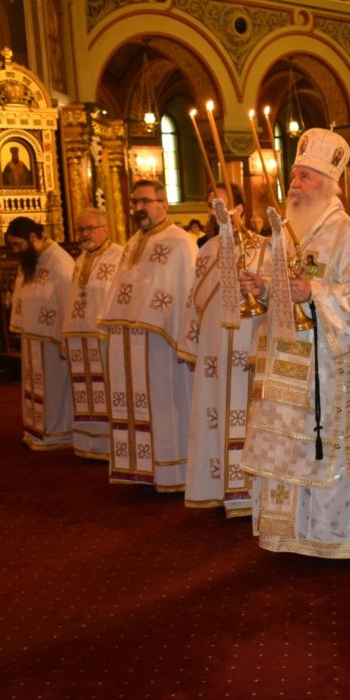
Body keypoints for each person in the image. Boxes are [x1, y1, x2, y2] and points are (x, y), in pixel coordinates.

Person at [238, 128, 350, 559]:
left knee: (319, 448)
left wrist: (313, 292)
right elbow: (276, 290)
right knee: (283, 445)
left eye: (305, 177)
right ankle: (286, 534)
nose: (295, 184)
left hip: (323, 368)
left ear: (328, 183)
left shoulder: (348, 235)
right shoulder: (284, 233)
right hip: (283, 357)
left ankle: (331, 539)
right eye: (294, 176)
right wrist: (263, 288)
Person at [97, 179, 197, 489]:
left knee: (166, 405)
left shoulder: (181, 242)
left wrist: (184, 337)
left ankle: (173, 472)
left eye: (145, 201)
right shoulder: (133, 242)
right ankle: (141, 468)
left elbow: (186, 293)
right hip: (131, 340)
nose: (138, 208)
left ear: (163, 205)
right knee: (138, 403)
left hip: (163, 341)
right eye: (135, 202)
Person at [178, 184, 268, 516]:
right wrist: (190, 345)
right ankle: (221, 488)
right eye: (210, 206)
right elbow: (194, 301)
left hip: (249, 343)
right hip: (214, 349)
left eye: (221, 205)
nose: (214, 212)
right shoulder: (207, 250)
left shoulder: (263, 247)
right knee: (215, 412)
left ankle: (252, 492)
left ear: (239, 209)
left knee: (250, 415)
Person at [5, 216, 75, 450]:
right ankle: (36, 430)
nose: (15, 250)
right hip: (32, 337)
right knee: (34, 385)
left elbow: (67, 300)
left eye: (18, 244)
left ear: (33, 237)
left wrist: (65, 336)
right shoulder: (29, 260)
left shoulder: (60, 261)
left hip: (52, 339)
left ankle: (58, 432)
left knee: (53, 387)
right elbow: (21, 293)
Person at [60, 208, 123, 459]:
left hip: (104, 335)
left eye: (90, 228)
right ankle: (88, 444)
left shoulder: (119, 256)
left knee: (106, 388)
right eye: (81, 229)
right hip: (79, 335)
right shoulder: (79, 260)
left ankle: (110, 445)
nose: (85, 234)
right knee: (83, 391)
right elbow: (71, 298)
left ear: (104, 228)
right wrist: (65, 332)